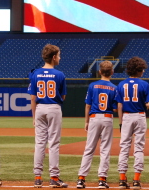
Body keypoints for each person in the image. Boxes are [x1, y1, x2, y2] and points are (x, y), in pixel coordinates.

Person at [28, 44, 68, 188]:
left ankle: (38, 178)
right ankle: (54, 178)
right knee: (54, 143)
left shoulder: (35, 74)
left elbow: (33, 97)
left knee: (40, 143)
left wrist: (34, 116)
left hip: (39, 108)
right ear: (53, 57)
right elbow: (62, 96)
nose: (60, 57)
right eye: (59, 55)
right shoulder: (60, 74)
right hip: (53, 107)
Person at [76, 61, 118, 189]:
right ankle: (102, 179)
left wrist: (86, 121)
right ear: (112, 72)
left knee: (89, 148)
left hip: (94, 118)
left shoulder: (92, 86)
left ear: (99, 72)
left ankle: (81, 179)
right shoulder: (114, 88)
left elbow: (88, 105)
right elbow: (115, 108)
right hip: (107, 118)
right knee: (105, 150)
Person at [116, 56, 149, 190]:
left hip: (126, 117)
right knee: (139, 148)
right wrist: (148, 105)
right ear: (138, 70)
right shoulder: (144, 84)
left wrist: (120, 123)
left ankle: (122, 180)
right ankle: (136, 180)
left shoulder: (121, 84)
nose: (143, 71)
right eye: (142, 69)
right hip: (139, 116)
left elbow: (119, 106)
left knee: (124, 147)